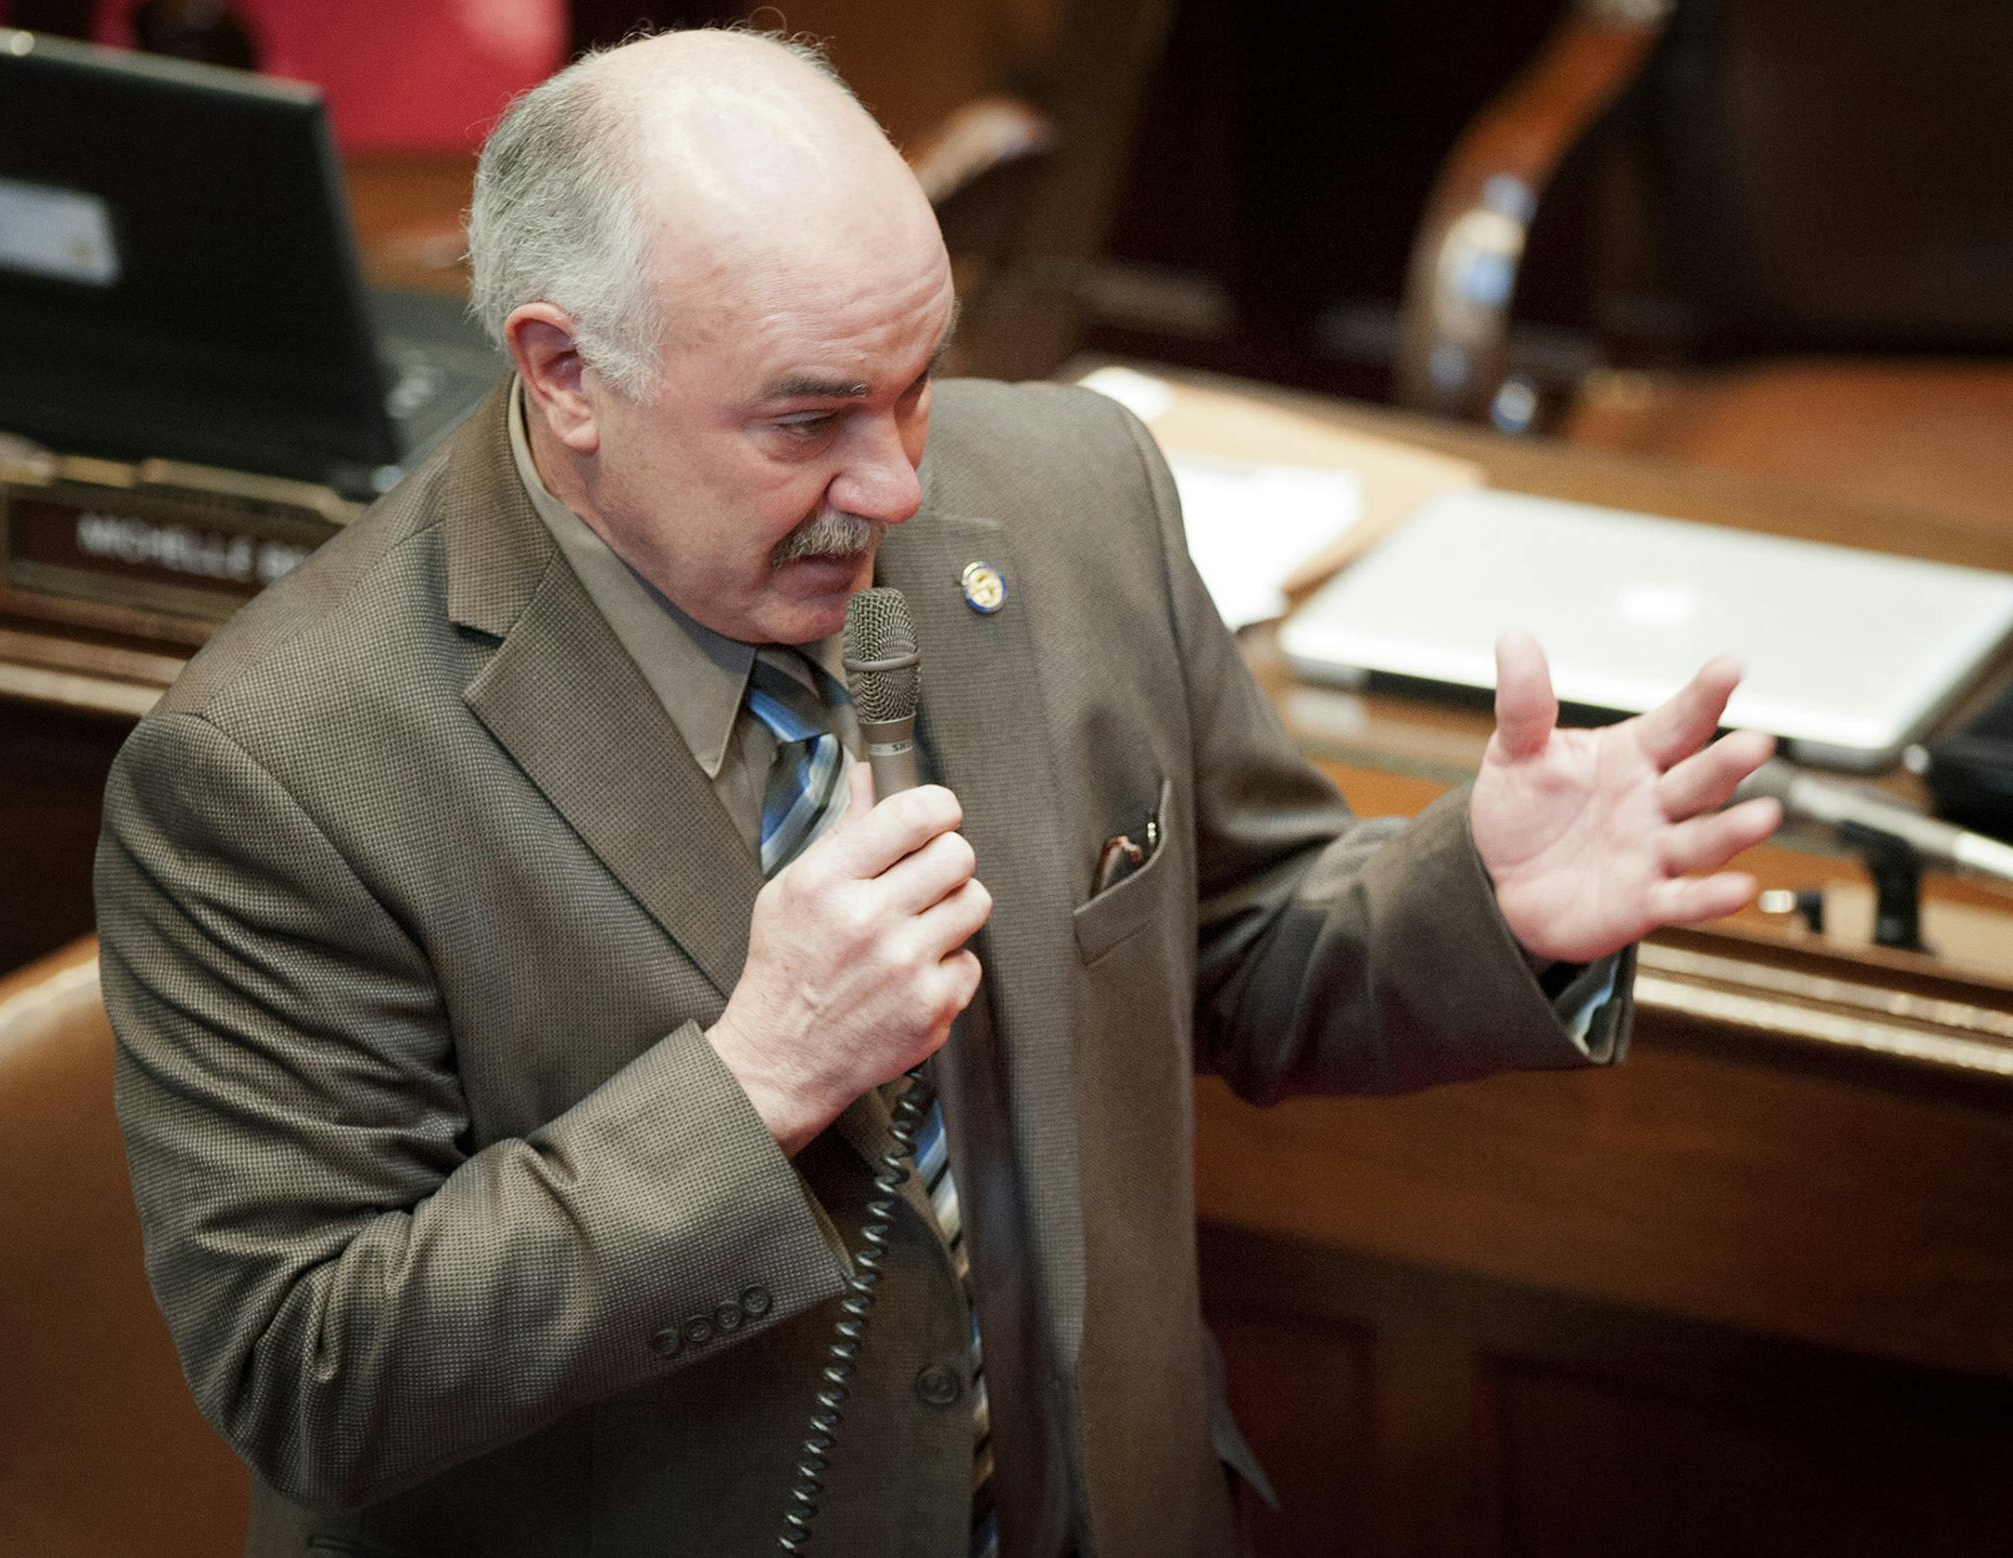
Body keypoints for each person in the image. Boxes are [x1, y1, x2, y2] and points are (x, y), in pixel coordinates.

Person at [94, 28, 1782, 1558]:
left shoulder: (1069, 495)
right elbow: (313, 1366)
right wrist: (753, 1080)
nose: (896, 482)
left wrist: (1480, 900)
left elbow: (1245, 941)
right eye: (811, 418)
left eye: (914, 384)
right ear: (565, 374)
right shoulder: (276, 769)